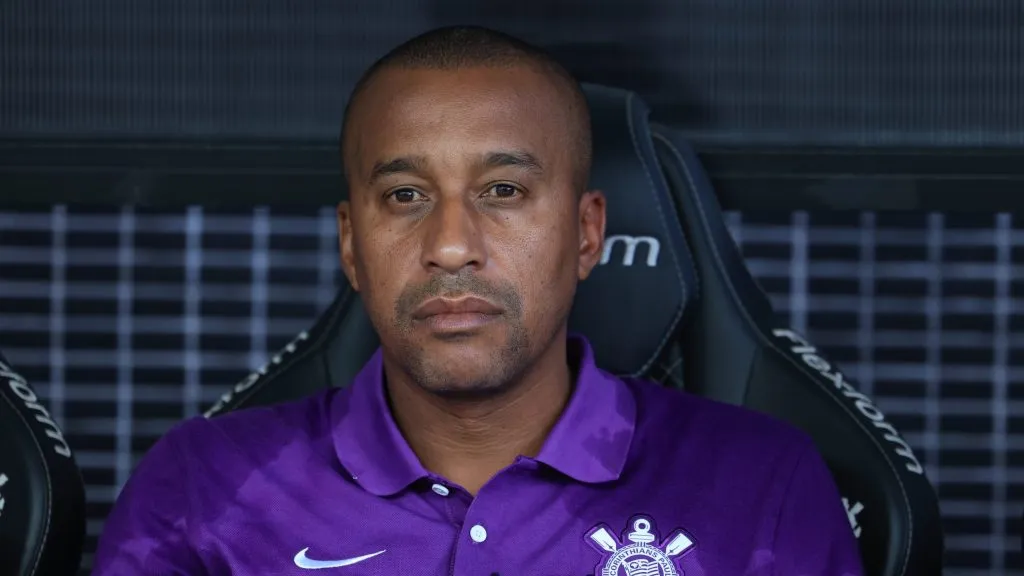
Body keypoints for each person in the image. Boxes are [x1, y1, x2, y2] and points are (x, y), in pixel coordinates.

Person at [93, 25, 863, 576]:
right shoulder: (202, 487)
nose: (452, 244)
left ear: (588, 233)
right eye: (404, 194)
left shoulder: (764, 483)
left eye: (503, 190)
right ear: (352, 244)